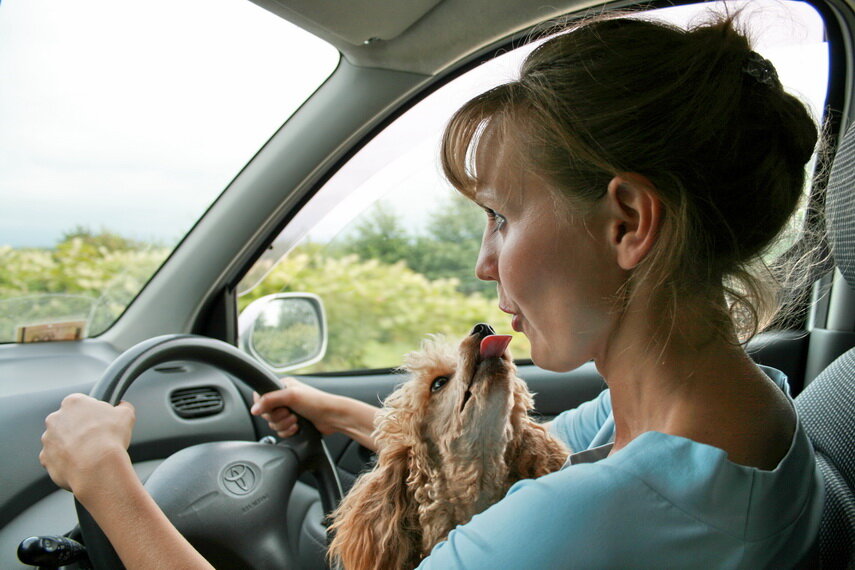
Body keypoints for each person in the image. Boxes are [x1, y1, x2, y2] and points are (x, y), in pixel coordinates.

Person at [40, 12, 824, 569]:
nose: (485, 264)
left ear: (626, 221)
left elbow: (550, 502)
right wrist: (344, 413)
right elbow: (525, 456)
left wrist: (105, 477)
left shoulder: (584, 524)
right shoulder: (741, 409)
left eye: (500, 217)